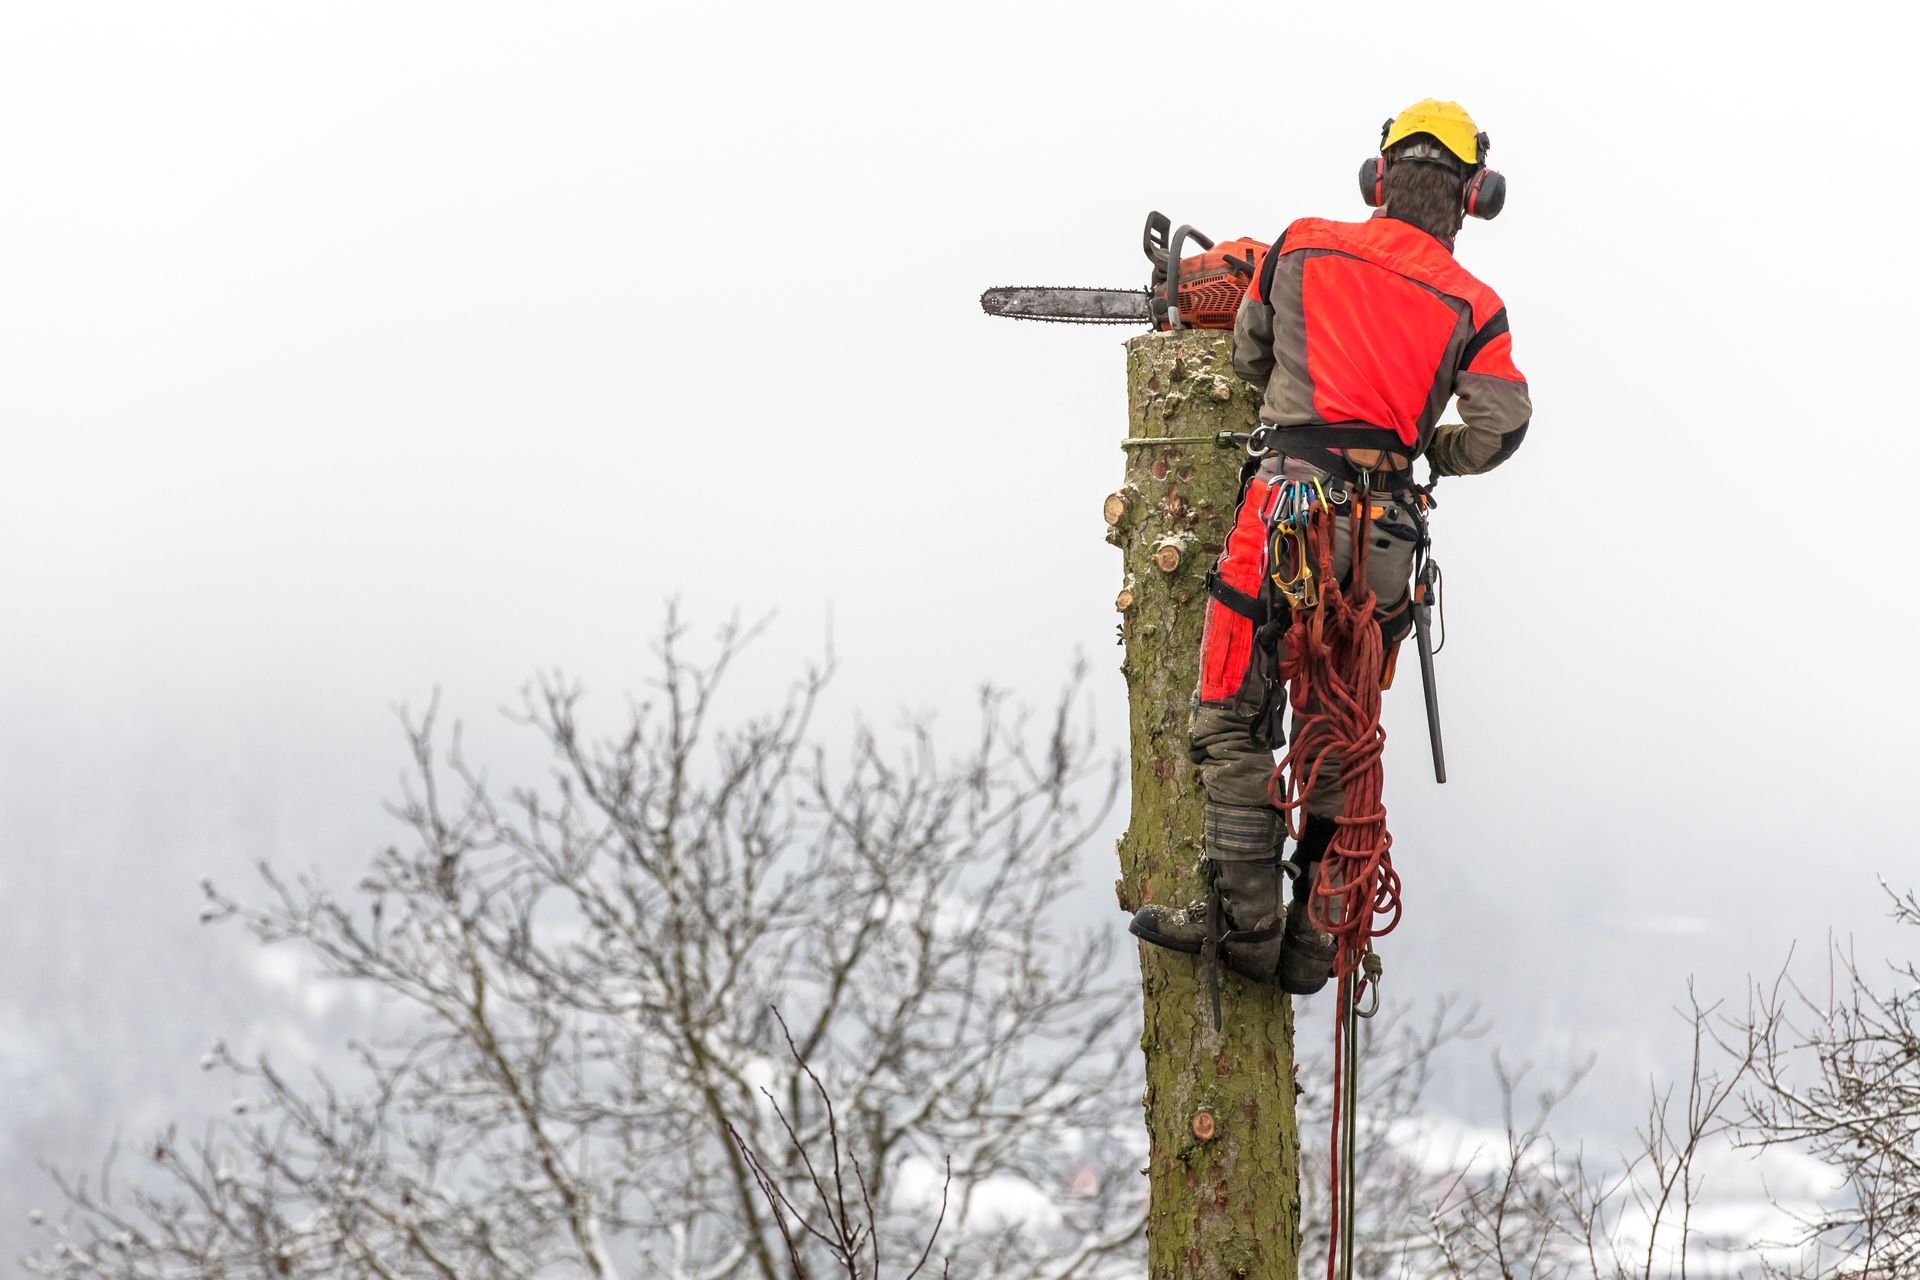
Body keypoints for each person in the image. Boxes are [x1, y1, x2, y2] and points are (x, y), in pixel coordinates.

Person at [1129, 100, 1531, 995]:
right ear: (1473, 197)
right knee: (1339, 732)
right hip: (1382, 536)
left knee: (1230, 712)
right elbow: (1501, 425)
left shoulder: (1303, 244)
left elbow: (1245, 358)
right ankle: (1315, 940)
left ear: (1379, 180)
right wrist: (1430, 451)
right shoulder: (1476, 303)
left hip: (1283, 506)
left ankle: (1244, 925)